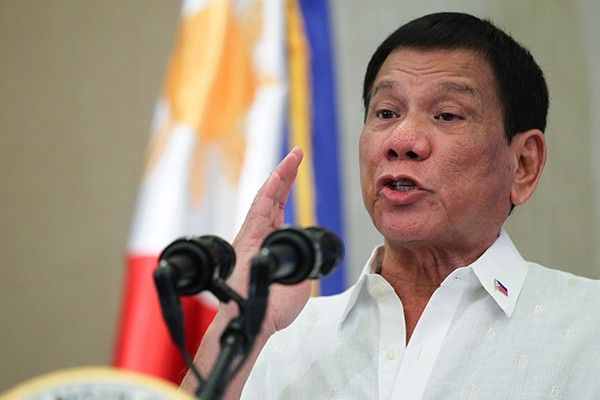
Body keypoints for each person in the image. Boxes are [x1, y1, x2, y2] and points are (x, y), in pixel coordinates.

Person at [182, 12, 600, 399]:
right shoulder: (277, 337)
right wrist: (238, 319)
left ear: (523, 165)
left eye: (447, 115)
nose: (402, 140)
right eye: (386, 112)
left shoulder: (587, 328)